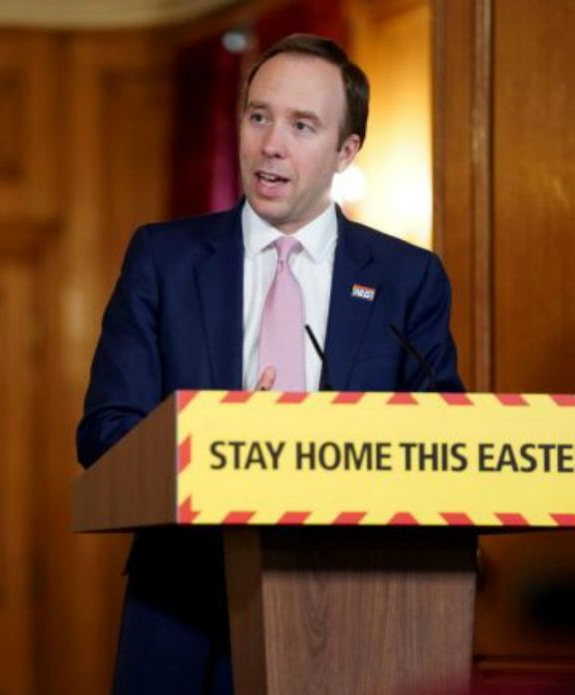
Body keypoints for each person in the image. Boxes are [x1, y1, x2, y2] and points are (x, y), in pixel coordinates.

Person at [77, 33, 464, 695]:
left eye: (301, 125)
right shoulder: (164, 260)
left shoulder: (406, 278)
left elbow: (446, 443)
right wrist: (219, 440)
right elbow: (105, 433)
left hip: (360, 618)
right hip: (185, 611)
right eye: (259, 116)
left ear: (346, 151)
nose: (271, 144)